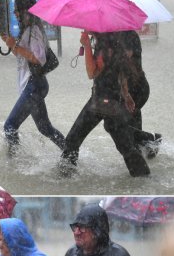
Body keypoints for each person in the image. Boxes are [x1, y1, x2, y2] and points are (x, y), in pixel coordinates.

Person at [58, 31, 150, 177]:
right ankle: (144, 177)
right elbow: (121, 73)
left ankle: (64, 177)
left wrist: (87, 46)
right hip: (115, 102)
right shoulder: (116, 42)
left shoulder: (103, 46)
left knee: (72, 140)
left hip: (101, 102)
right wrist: (126, 96)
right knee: (126, 148)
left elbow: (91, 73)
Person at [0, 0, 65, 155]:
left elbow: (38, 59)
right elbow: (23, 57)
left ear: (26, 11)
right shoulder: (28, 30)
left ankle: (13, 163)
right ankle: (69, 151)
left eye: (17, 11)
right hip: (34, 85)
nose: (15, 14)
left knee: (10, 126)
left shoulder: (34, 30)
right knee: (45, 128)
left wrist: (14, 45)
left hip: (34, 86)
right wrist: (11, 44)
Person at [114, 30, 161, 158]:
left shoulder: (129, 34)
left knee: (121, 125)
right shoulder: (116, 35)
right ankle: (144, 148)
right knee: (131, 124)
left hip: (137, 89)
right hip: (129, 90)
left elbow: (125, 57)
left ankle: (150, 139)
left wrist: (108, 52)